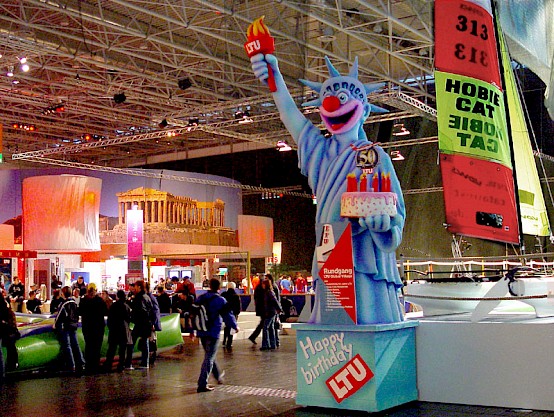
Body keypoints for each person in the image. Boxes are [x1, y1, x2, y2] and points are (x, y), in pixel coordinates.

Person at [250, 53, 406, 324]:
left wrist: (386, 226)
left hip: (365, 249)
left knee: (367, 314)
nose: (334, 104)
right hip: (330, 243)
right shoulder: (318, 151)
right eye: (327, 100)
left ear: (365, 110)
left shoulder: (374, 154)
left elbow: (396, 208)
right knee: (333, 326)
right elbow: (289, 114)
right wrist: (274, 78)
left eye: (344, 98)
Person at [196, 278, 239, 393]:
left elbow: (193, 313)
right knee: (209, 357)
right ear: (219, 288)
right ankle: (202, 383)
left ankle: (218, 376)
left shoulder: (201, 298)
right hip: (213, 331)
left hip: (202, 331)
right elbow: (227, 315)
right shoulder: (220, 300)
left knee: (209, 355)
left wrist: (192, 330)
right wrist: (235, 326)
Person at [54, 286, 85, 374]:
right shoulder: (74, 302)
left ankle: (71, 365)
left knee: (67, 345)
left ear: (63, 293)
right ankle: (81, 362)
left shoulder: (63, 304)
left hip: (66, 326)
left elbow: (59, 316)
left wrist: (55, 325)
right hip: (73, 325)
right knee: (75, 344)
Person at [79, 283, 108, 374]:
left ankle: (88, 365)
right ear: (95, 290)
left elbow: (80, 312)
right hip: (98, 327)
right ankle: (95, 365)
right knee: (97, 347)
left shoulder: (83, 300)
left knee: (89, 346)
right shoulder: (100, 301)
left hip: (87, 327)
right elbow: (105, 312)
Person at [104, 290, 133, 372]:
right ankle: (121, 366)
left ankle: (108, 365)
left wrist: (111, 327)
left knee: (111, 349)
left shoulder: (114, 306)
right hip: (123, 330)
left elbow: (110, 318)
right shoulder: (126, 307)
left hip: (114, 330)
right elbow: (128, 319)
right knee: (122, 349)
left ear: (117, 296)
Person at [128, 280, 154, 369]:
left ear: (139, 287)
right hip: (147, 324)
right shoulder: (147, 297)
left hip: (140, 323)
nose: (133, 288)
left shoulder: (139, 298)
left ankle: (128, 363)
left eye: (135, 286)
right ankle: (144, 363)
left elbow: (140, 311)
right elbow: (151, 310)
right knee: (145, 343)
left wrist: (133, 318)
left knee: (131, 342)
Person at [0, 294, 19, 379]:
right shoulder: (7, 311)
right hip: (9, 333)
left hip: (8, 333)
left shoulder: (6, 312)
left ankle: (12, 364)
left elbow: (10, 326)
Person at [260, 278, 282, 351]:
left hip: (270, 312)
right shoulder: (270, 292)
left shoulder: (268, 293)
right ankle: (272, 344)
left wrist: (279, 309)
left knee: (265, 327)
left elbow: (274, 301)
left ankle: (265, 344)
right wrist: (279, 309)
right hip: (272, 312)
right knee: (271, 328)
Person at [221, 282, 241, 351]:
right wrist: (237, 313)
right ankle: (229, 342)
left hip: (224, 313)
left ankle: (224, 340)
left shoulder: (223, 295)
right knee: (232, 328)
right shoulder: (236, 296)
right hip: (233, 314)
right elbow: (238, 307)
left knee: (226, 327)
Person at [248, 277, 266, 344]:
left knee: (262, 323)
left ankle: (253, 336)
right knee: (263, 324)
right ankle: (253, 336)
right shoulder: (262, 289)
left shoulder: (257, 288)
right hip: (263, 309)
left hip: (260, 309)